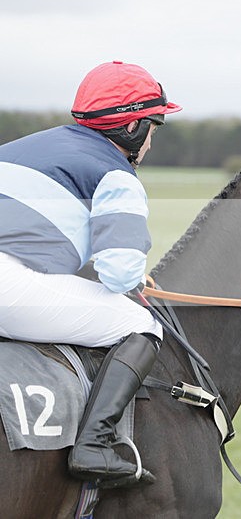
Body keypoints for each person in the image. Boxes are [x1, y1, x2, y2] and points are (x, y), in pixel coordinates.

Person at [0, 61, 181, 488]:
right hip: (9, 284)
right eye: (153, 126)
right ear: (133, 129)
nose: (152, 141)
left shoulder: (24, 145)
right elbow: (119, 275)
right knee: (140, 324)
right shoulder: (116, 175)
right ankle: (94, 446)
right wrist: (131, 277)